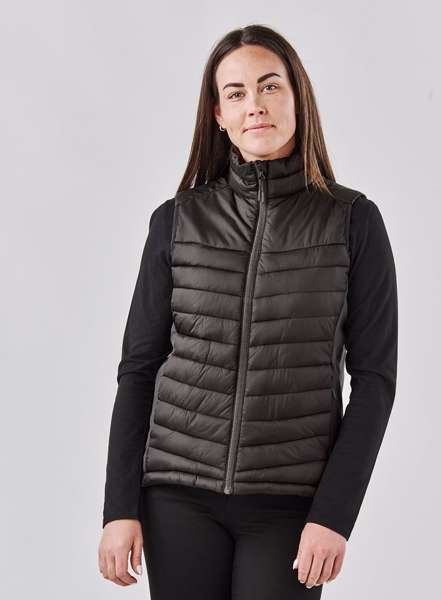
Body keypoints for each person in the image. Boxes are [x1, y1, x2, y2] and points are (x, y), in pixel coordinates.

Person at [98, 24, 398, 600]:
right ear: (218, 114)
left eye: (269, 86)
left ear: (297, 97)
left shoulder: (353, 222)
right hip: (176, 495)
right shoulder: (177, 221)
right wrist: (119, 507)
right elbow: (138, 369)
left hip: (291, 505)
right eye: (235, 93)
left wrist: (334, 514)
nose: (254, 105)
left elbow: (375, 380)